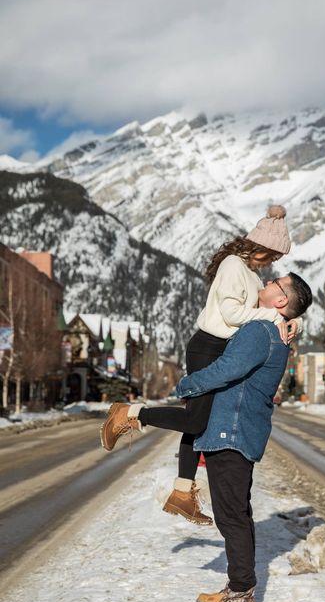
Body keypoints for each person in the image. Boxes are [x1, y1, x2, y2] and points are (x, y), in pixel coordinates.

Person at [100, 206, 302, 524]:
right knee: (196, 422)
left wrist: (290, 320)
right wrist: (276, 316)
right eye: (274, 255)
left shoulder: (250, 272)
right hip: (207, 347)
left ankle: (182, 492)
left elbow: (260, 310)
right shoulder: (234, 265)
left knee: (199, 422)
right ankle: (130, 414)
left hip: (220, 349)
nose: (274, 262)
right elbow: (234, 315)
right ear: (262, 247)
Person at [175, 272, 313, 602]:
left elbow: (226, 369)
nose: (263, 284)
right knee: (236, 512)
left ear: (280, 301)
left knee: (231, 515)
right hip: (238, 430)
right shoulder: (273, 329)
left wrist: (186, 385)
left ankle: (241, 597)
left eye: (272, 284)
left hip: (231, 431)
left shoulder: (259, 330)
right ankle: (237, 587)